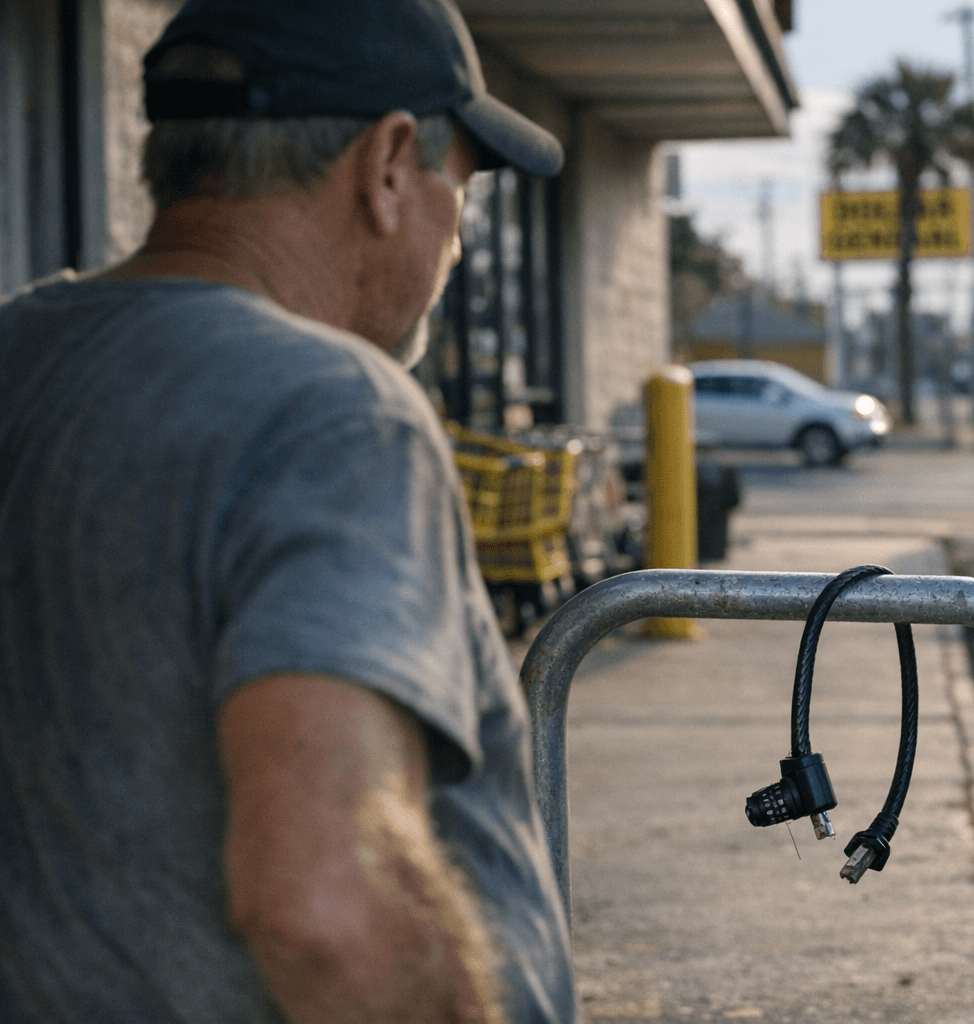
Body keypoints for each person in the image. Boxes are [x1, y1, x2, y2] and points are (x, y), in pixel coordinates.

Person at [0, 2, 576, 1021]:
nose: (455, 244)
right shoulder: (335, 412)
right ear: (390, 166)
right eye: (462, 188)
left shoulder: (22, 359)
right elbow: (327, 907)